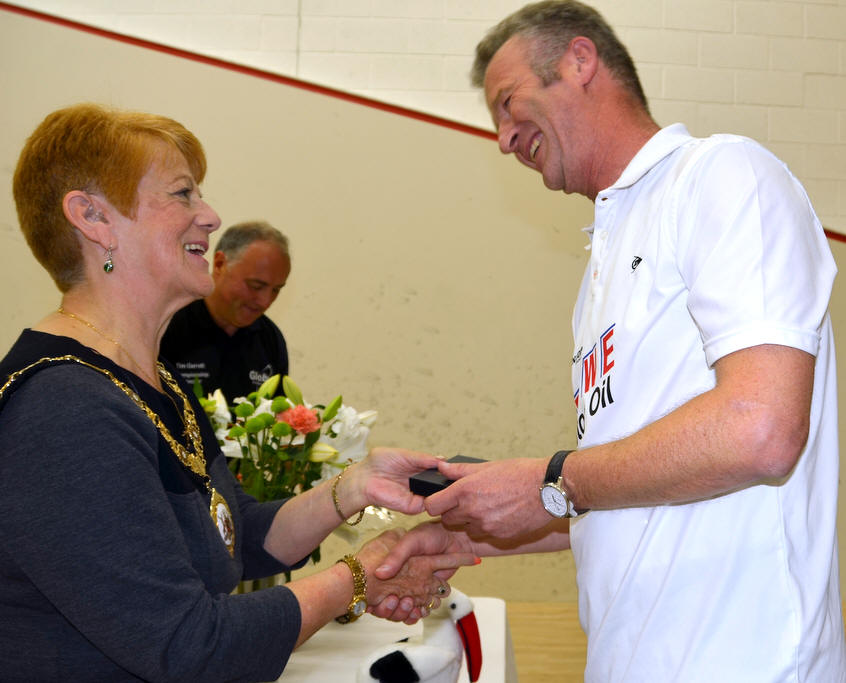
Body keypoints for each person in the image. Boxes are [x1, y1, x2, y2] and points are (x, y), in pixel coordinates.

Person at [377, 2, 846, 680]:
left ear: (579, 60)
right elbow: (630, 492)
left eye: (508, 104)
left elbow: (760, 429)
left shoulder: (722, 175)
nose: (503, 139)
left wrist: (550, 480)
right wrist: (467, 534)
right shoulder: (604, 260)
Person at [0, 103, 475, 682]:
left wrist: (353, 487)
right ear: (93, 218)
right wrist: (356, 576)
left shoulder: (153, 380)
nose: (210, 216)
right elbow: (190, 646)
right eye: (182, 194)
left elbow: (236, 536)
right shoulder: (64, 408)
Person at [160, 219, 291, 400]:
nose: (265, 301)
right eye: (255, 286)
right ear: (220, 264)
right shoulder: (167, 324)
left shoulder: (269, 338)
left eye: (276, 290)